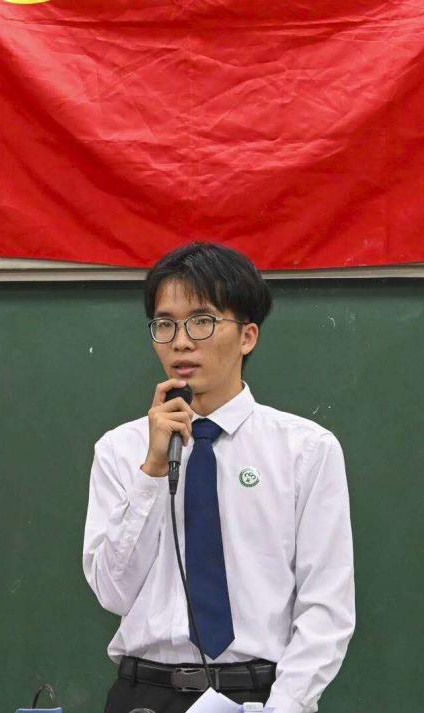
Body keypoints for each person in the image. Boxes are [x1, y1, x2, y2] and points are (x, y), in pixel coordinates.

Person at [82, 242, 355, 713]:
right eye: (165, 324)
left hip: (257, 695)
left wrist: (283, 707)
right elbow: (113, 592)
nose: (181, 342)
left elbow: (326, 607)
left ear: (247, 336)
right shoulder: (120, 449)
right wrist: (151, 471)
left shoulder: (306, 450)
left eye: (201, 321)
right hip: (143, 693)